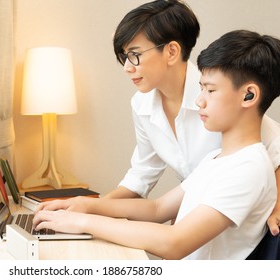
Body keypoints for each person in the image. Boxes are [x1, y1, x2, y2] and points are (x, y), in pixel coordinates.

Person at [33, 29, 280, 259]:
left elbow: (175, 242)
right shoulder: (218, 159)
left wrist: (82, 222)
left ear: (249, 95)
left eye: (210, 91)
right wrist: (85, 205)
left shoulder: (248, 168)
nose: (199, 101)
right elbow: (157, 208)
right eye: (201, 88)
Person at [105, 0, 280, 236]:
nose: (127, 67)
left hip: (236, 224)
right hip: (194, 214)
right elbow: (142, 174)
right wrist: (93, 207)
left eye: (135, 55)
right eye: (124, 56)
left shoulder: (218, 97)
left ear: (172, 51)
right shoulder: (141, 105)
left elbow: (274, 149)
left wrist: (277, 207)